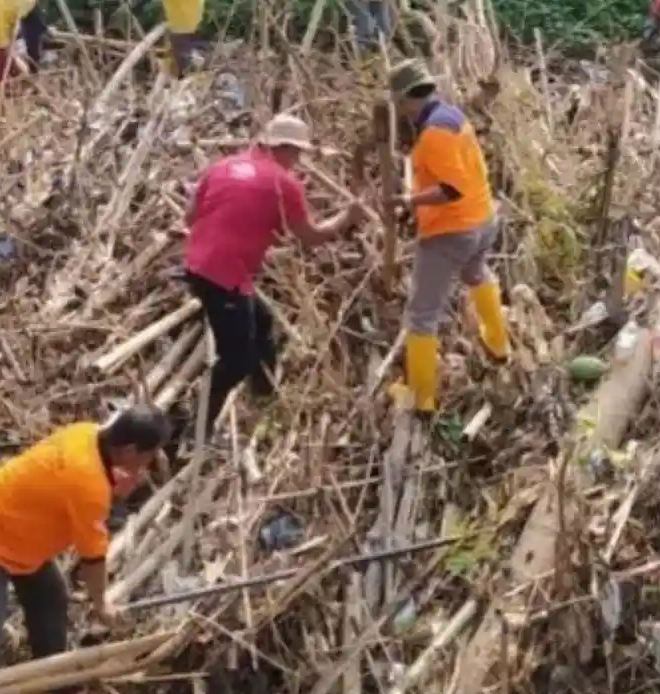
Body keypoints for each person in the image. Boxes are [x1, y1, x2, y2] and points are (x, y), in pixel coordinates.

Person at [0, 406, 170, 679]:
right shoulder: (87, 482)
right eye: (148, 456)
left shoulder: (86, 433)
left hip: (22, 542)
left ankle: (49, 677)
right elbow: (92, 556)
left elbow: (70, 491)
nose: (149, 464)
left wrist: (112, 491)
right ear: (128, 451)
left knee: (51, 598)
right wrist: (101, 603)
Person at [184, 113, 364, 441]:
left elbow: (191, 215)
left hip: (197, 264)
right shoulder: (284, 185)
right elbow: (311, 237)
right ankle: (195, 434)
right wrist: (347, 216)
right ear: (285, 148)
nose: (298, 161)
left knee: (263, 325)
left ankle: (264, 397)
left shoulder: (222, 165)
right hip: (224, 277)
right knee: (236, 360)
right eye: (297, 154)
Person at [387, 59, 510, 414]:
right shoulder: (452, 116)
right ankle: (499, 344)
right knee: (476, 274)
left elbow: (450, 189)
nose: (400, 111)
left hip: (452, 231)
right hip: (483, 219)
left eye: (399, 103)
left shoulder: (434, 134)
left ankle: (421, 397)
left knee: (422, 315)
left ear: (409, 98)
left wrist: (409, 199)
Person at [161, 0, 203, 75]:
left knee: (182, 59)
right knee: (182, 55)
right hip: (191, 27)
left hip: (180, 28)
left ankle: (188, 67)